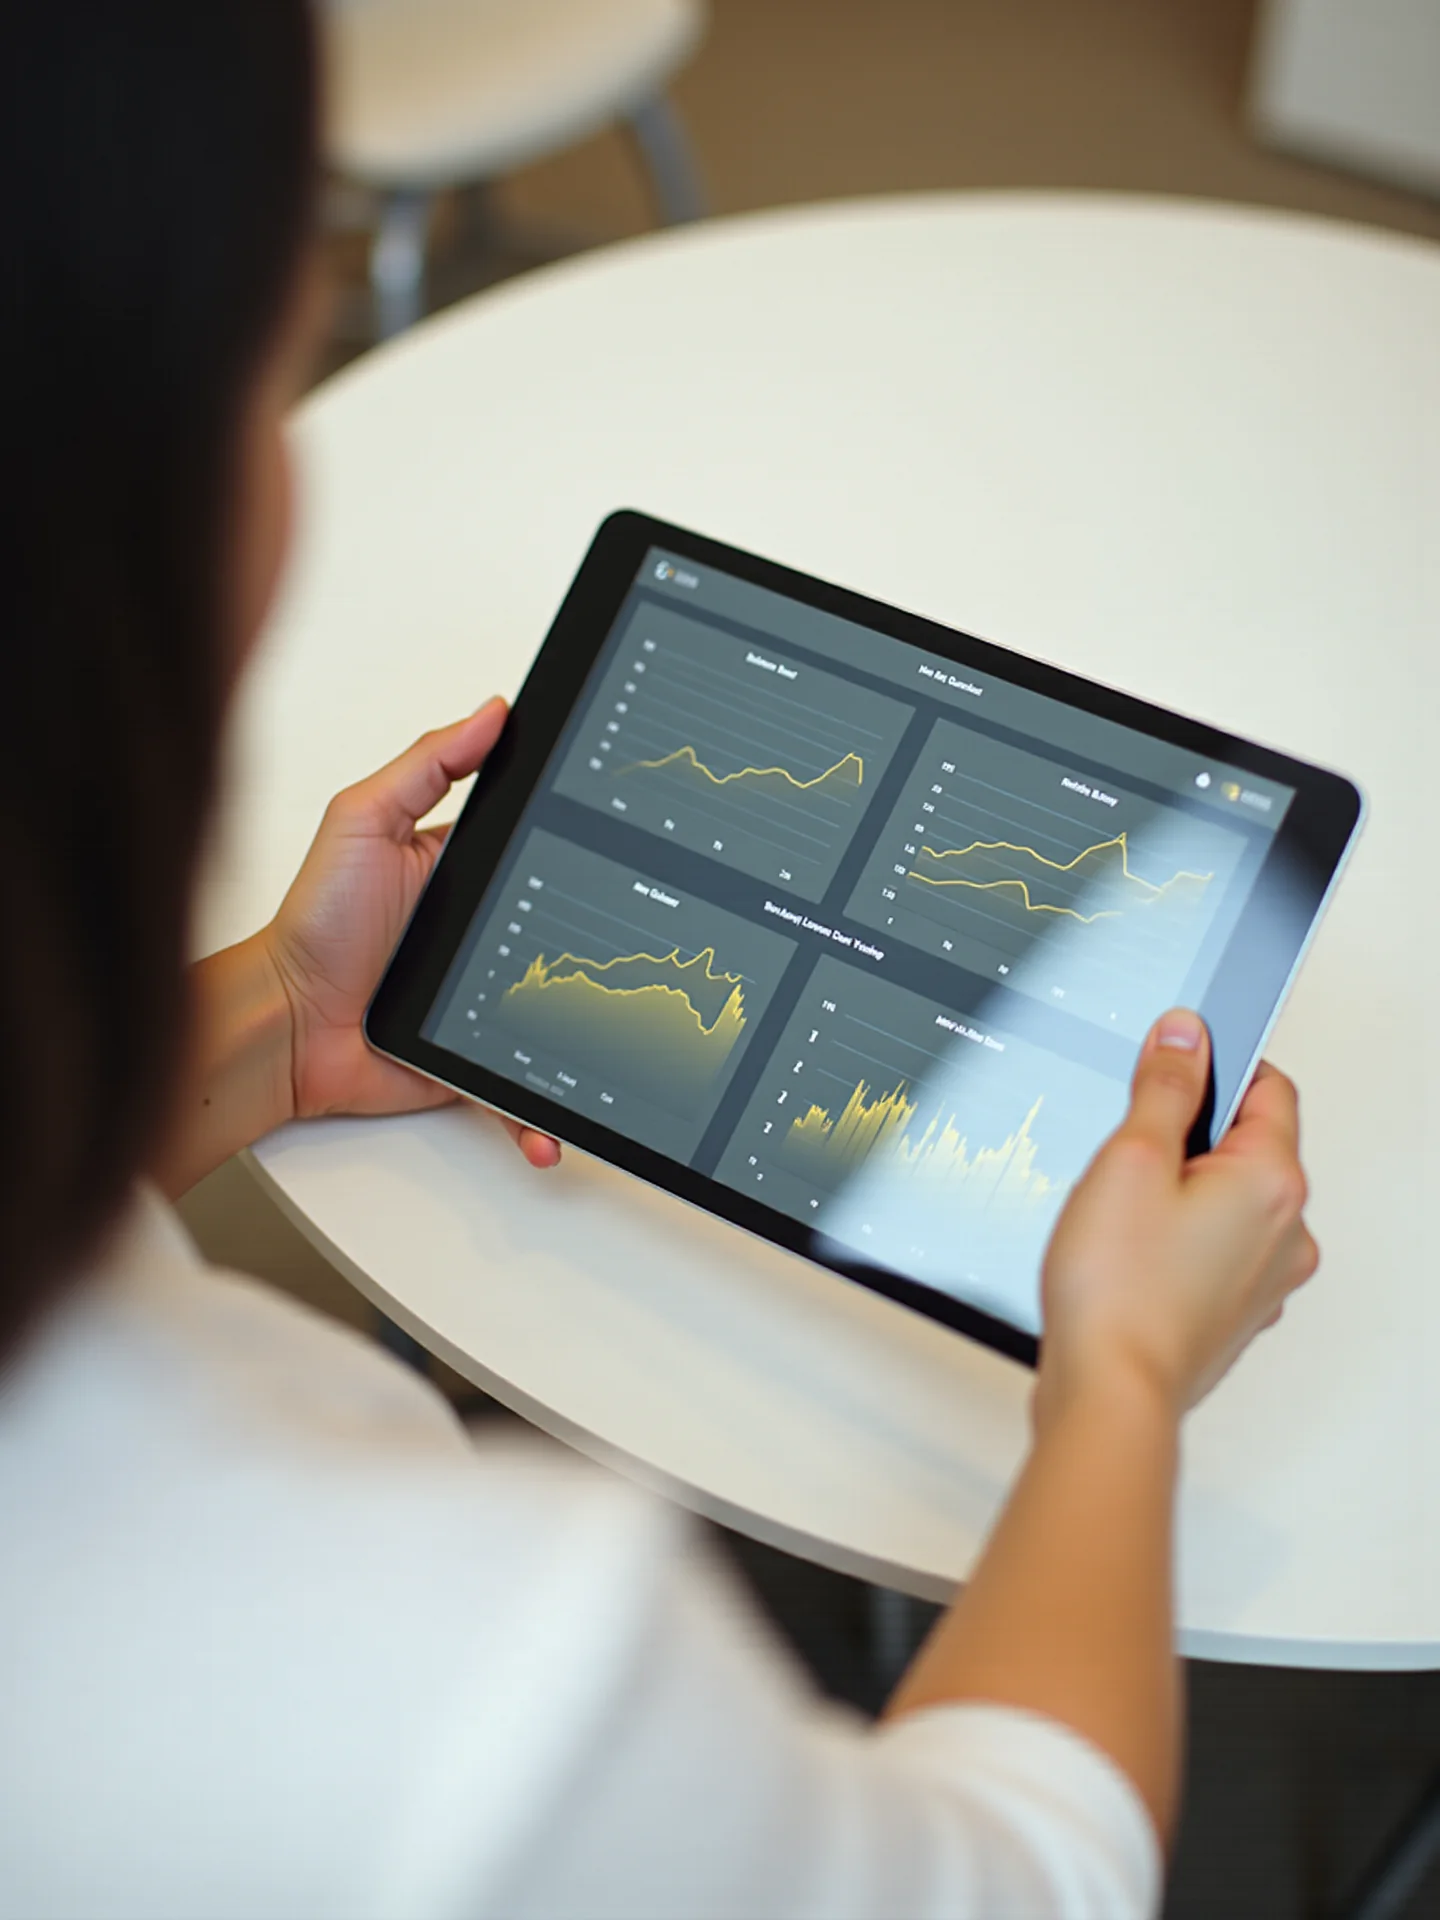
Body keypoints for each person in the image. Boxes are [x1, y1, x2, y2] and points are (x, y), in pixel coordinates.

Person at [0, 7, 1317, 1917]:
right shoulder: (454, 1689)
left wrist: (286, 1019)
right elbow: (1016, 1883)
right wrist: (1117, 1371)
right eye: (271, 373)